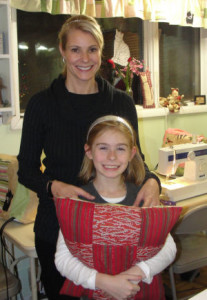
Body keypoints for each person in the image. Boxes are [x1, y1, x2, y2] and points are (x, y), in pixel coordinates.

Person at [17, 15, 161, 300]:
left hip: (114, 228)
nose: (85, 58)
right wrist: (53, 187)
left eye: (92, 49)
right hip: (58, 227)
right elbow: (26, 169)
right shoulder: (42, 104)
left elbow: (136, 159)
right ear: (62, 50)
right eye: (75, 49)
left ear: (101, 52)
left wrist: (153, 181)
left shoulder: (119, 102)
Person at [55, 115, 176, 300]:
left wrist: (133, 275)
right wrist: (104, 282)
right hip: (96, 291)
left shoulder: (144, 197)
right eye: (103, 148)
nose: (112, 157)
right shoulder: (78, 201)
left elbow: (168, 249)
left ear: (132, 153)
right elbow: (63, 259)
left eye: (120, 148)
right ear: (89, 151)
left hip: (141, 290)